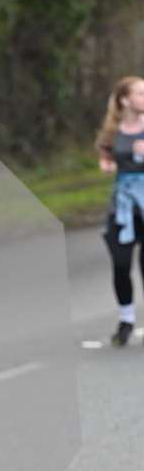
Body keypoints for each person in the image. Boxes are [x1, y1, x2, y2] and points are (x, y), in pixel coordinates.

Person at [96, 75, 144, 346]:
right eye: (140, 93)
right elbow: (105, 159)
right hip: (124, 206)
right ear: (125, 100)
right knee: (121, 262)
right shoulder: (112, 132)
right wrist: (108, 165)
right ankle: (126, 319)